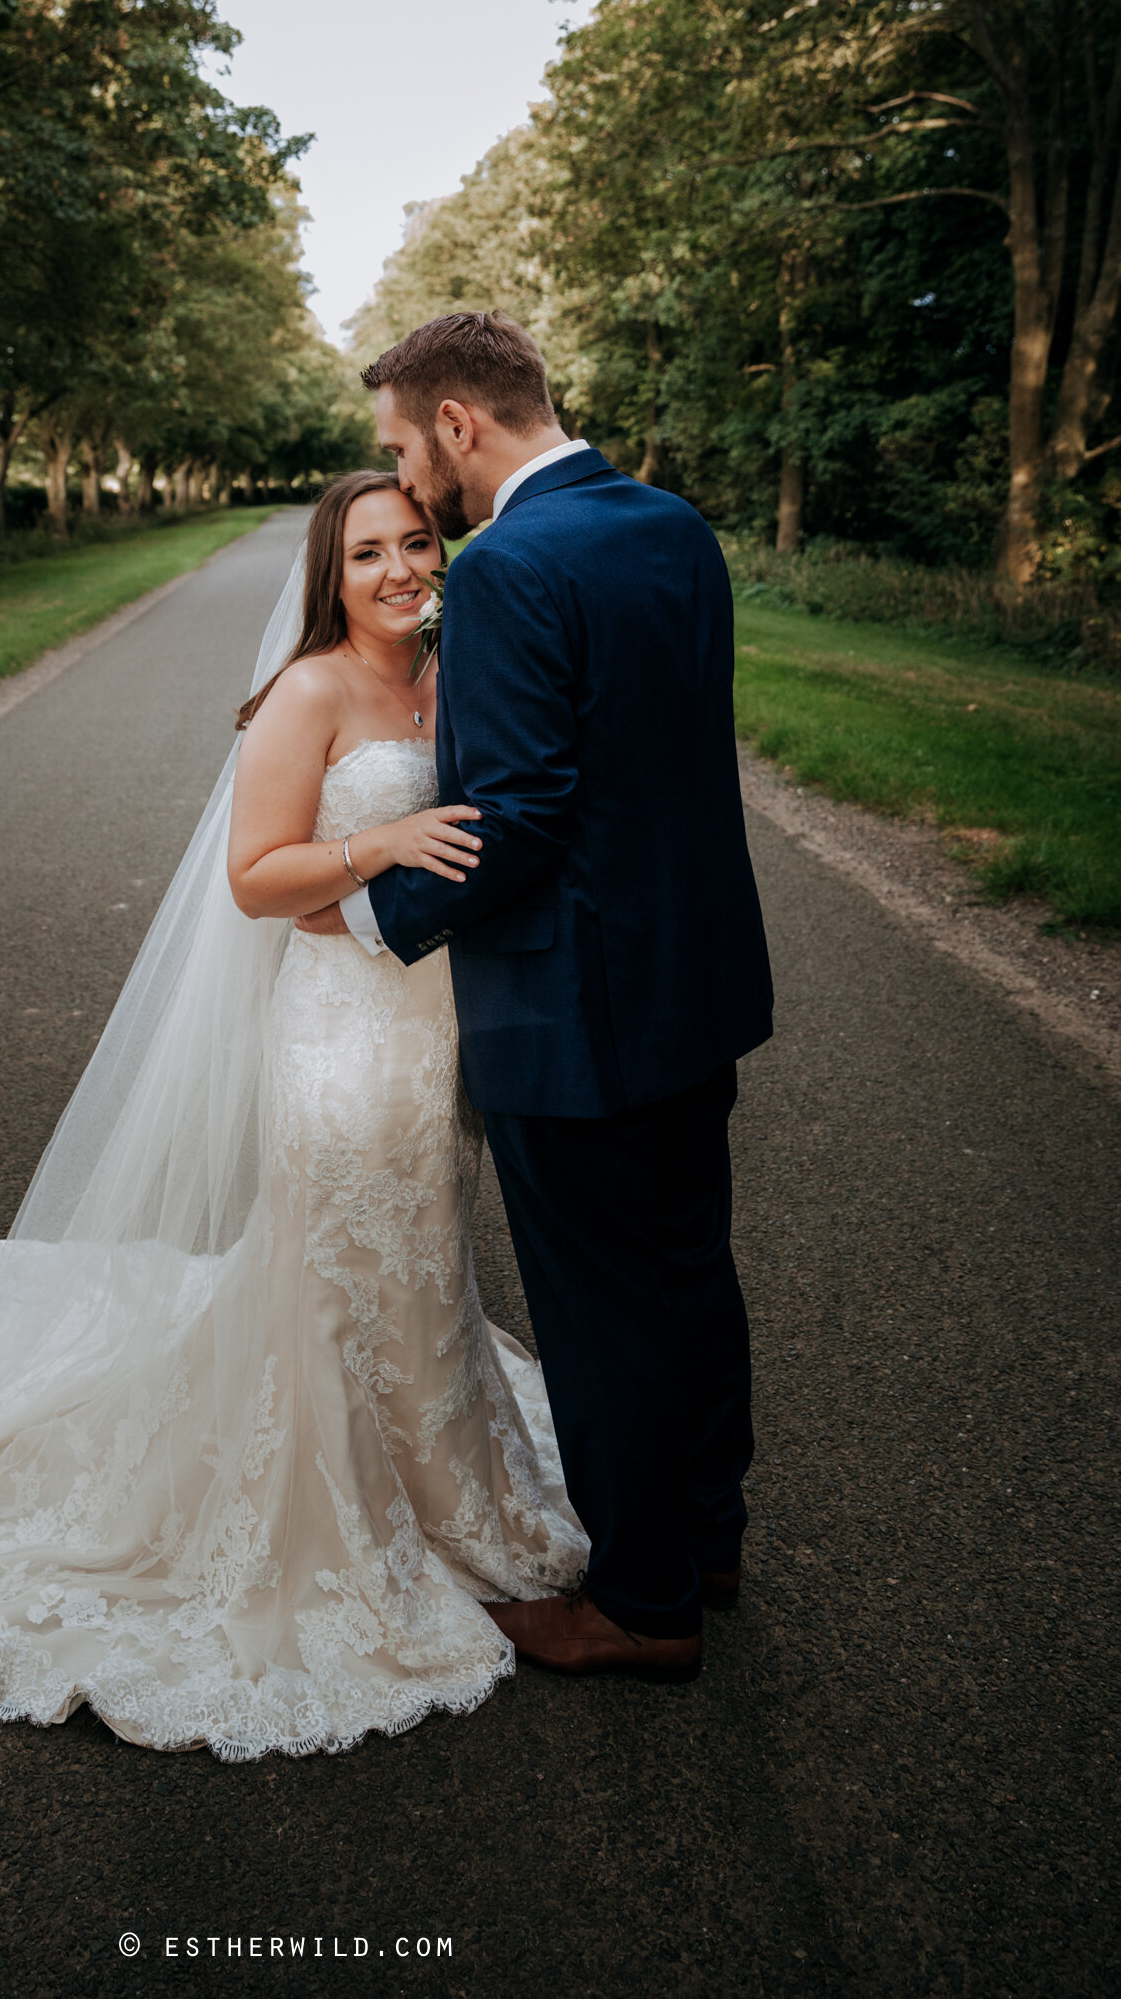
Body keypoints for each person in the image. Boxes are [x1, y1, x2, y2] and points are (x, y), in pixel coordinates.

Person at [0, 470, 586, 1760]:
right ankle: (340, 1513)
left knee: (422, 1260)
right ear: (330, 575)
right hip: (342, 1043)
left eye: (418, 541)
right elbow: (257, 880)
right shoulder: (306, 693)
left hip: (435, 1031)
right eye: (370, 554)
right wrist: (382, 848)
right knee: (338, 1264)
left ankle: (444, 1487)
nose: (403, 569)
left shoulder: (452, 673)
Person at [304, 311, 772, 1678]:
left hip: (577, 1013)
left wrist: (374, 917)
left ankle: (642, 1602)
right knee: (689, 1270)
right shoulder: (671, 525)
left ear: (457, 424)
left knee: (602, 1305)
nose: (407, 474)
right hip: (698, 984)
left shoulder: (507, 565)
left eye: (403, 444)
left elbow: (522, 814)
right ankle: (709, 1531)